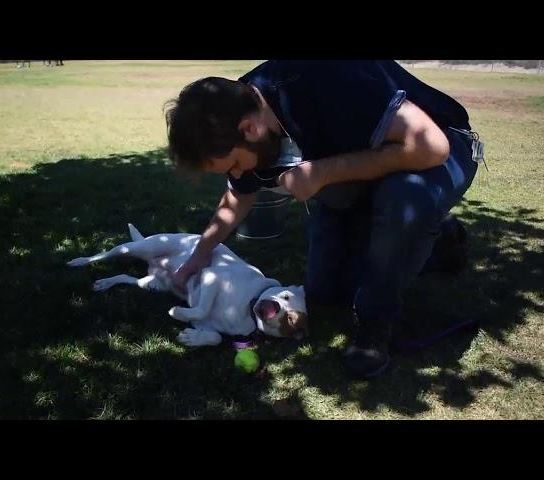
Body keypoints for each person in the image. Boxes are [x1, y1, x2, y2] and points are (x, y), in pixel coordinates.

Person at [164, 60, 479, 379]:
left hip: (444, 147)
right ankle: (439, 243)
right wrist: (199, 255)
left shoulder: (324, 77)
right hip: (360, 175)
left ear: (249, 129)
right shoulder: (236, 112)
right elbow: (238, 197)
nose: (238, 175)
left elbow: (431, 146)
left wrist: (321, 173)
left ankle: (375, 324)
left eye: (234, 165)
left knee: (404, 201)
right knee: (326, 291)